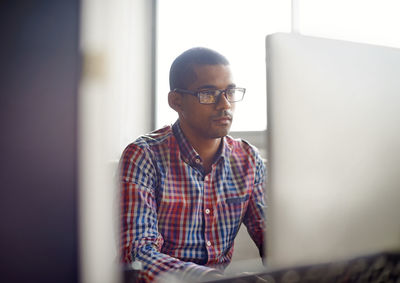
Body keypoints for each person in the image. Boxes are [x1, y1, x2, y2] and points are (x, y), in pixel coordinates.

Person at [119, 47, 266, 282]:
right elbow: (138, 254)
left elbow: (272, 240)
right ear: (176, 101)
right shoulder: (144, 156)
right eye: (208, 94)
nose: (225, 104)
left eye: (229, 91)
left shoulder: (248, 159)